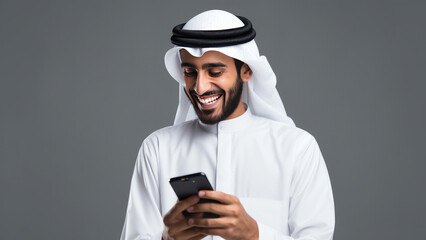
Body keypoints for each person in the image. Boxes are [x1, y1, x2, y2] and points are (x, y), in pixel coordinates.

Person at [120, 9, 335, 240]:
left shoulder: (297, 150)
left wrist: (255, 234)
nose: (200, 87)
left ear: (246, 70)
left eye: (215, 71)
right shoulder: (157, 150)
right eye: (190, 72)